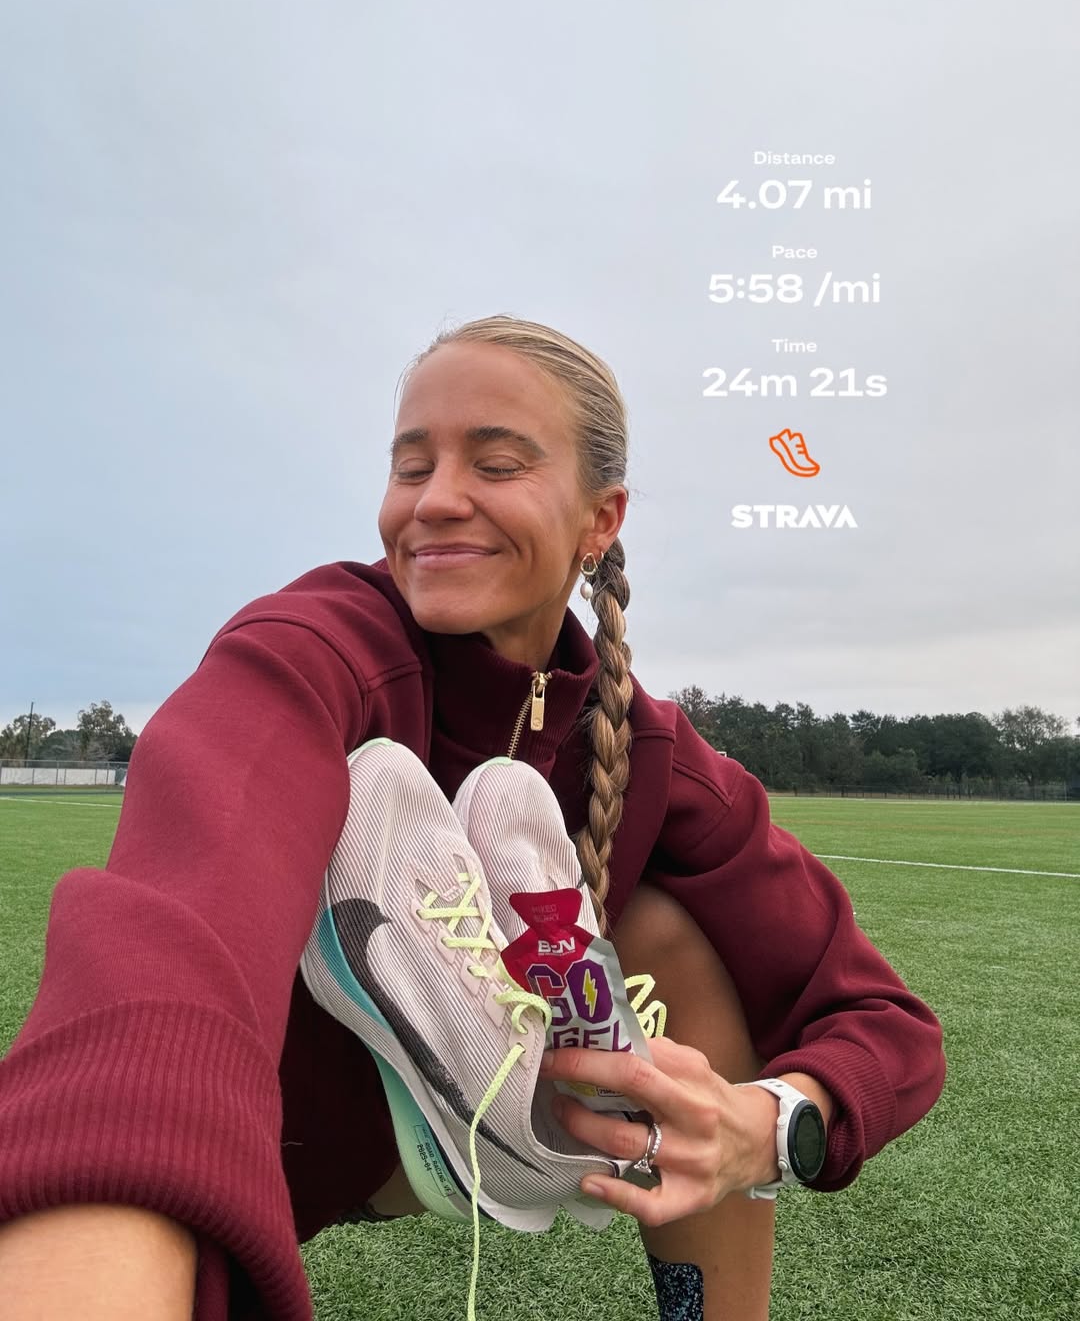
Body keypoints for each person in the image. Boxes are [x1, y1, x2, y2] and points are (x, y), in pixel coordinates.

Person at [0, 315, 946, 1321]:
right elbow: (176, 915)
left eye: (495, 465)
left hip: (503, 1133)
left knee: (667, 927)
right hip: (257, 1150)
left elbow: (884, 1024)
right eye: (410, 468)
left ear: (600, 520)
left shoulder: (650, 750)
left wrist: (770, 1126)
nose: (436, 500)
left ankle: (585, 1182)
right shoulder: (314, 649)